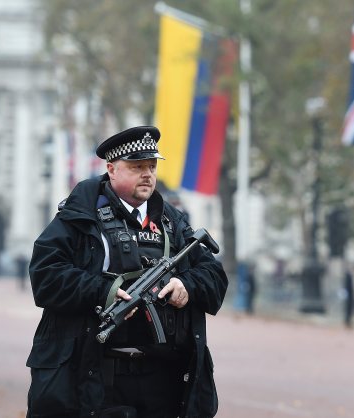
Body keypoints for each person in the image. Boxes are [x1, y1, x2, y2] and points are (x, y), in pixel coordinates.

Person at [26, 126, 228, 418]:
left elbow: (214, 275)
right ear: (112, 169)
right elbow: (45, 277)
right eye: (136, 167)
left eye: (151, 166)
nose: (147, 174)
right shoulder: (79, 217)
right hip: (98, 373)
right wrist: (103, 291)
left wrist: (186, 286)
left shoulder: (173, 222)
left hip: (164, 379)